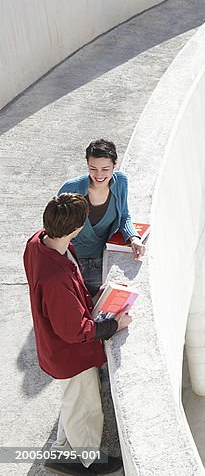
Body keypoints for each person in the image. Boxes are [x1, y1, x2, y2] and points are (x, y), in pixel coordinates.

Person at [24, 193, 131, 475]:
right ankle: (85, 462)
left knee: (73, 401)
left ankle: (63, 450)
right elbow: (76, 331)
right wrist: (114, 325)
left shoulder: (37, 242)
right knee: (87, 408)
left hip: (55, 349)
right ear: (75, 229)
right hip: (71, 355)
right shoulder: (56, 278)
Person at [57, 139, 145, 297]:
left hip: (103, 259)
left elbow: (124, 215)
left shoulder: (121, 182)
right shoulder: (70, 189)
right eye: (93, 168)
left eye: (105, 169)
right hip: (73, 263)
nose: (99, 175)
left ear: (115, 164)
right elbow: (56, 229)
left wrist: (133, 238)